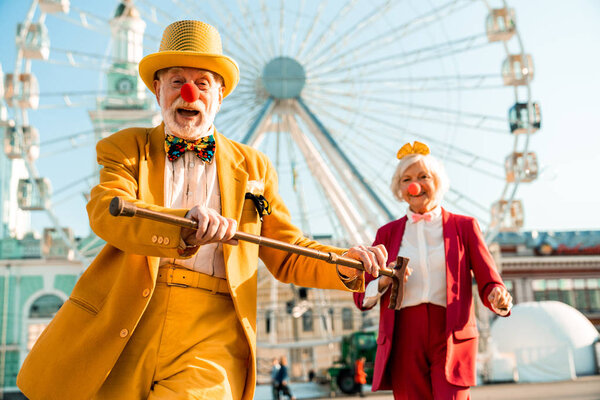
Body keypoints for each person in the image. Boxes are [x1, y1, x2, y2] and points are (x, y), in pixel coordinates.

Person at [16, 20, 386, 400]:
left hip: (212, 329)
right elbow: (106, 211)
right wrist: (183, 229)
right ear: (157, 89)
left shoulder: (254, 167)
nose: (188, 93)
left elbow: (287, 252)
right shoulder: (126, 148)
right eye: (176, 81)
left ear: (220, 96)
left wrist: (344, 264)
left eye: (202, 83)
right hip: (129, 316)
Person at [353, 141, 513, 400]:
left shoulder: (465, 227)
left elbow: (489, 281)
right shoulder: (387, 234)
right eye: (407, 179)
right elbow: (362, 297)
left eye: (423, 176)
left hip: (451, 332)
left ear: (437, 182)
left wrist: (497, 295)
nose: (415, 184)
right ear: (400, 189)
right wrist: (384, 281)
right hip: (403, 335)